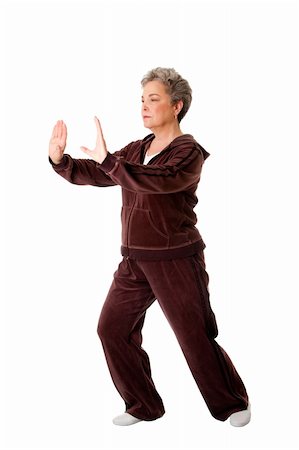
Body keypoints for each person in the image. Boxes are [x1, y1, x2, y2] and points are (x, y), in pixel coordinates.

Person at [48, 67, 251, 427]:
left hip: (176, 259)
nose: (144, 106)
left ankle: (232, 403)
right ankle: (143, 405)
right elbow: (100, 173)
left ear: (177, 106)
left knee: (193, 336)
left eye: (153, 99)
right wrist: (60, 161)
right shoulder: (138, 147)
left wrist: (110, 161)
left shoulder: (188, 152)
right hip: (134, 260)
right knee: (111, 329)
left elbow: (161, 181)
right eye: (142, 99)